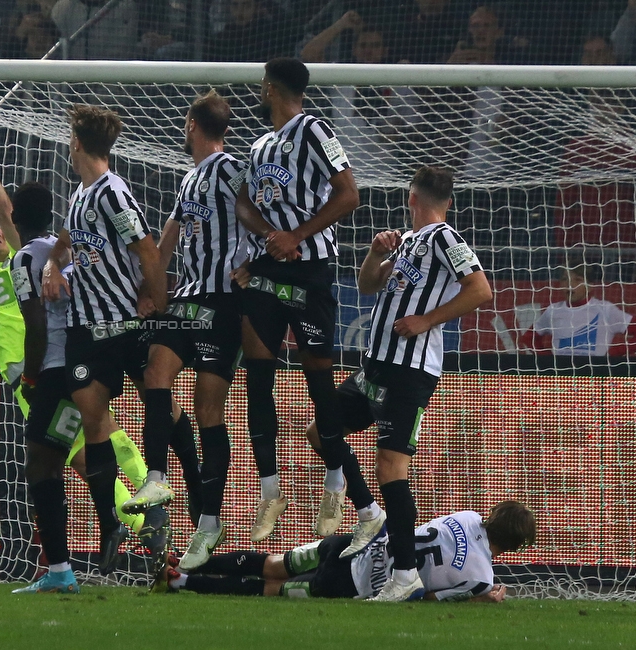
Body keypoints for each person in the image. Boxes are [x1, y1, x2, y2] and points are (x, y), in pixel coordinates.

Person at [0, 121, 161, 587]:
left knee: (77, 453)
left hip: (45, 373)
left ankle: (140, 522)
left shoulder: (33, 254)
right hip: (45, 373)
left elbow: (6, 210)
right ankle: (143, 518)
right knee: (96, 441)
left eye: (2, 229)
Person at [305, 166, 492, 602]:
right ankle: (369, 512)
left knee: (391, 466)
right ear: (447, 198)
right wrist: (374, 253)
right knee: (321, 430)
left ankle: (405, 573)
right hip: (374, 368)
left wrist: (427, 319)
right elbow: (368, 284)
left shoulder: (446, 238)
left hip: (409, 373)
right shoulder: (407, 243)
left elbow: (481, 290)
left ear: (411, 197)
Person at [41, 104, 174, 575]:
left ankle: (179, 500)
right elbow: (66, 239)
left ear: (77, 143)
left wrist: (152, 301)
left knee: (166, 409)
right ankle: (111, 524)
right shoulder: (80, 195)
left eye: (69, 137)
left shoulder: (113, 194)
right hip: (84, 330)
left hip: (122, 325)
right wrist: (54, 265)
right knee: (93, 422)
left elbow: (147, 248)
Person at [233, 57, 360, 543]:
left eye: (262, 86)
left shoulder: (315, 129)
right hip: (268, 272)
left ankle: (334, 482)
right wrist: (271, 235)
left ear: (269, 88)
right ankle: (270, 493)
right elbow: (243, 200)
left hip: (309, 271)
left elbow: (349, 194)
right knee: (258, 381)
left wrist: (299, 234)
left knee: (318, 385)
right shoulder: (261, 143)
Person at [124, 91, 247, 571]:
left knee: (206, 410)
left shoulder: (232, 166)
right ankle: (157, 475)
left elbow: (266, 211)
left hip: (224, 303)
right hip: (188, 298)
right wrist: (151, 291)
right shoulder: (190, 178)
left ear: (192, 124)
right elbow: (168, 238)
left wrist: (256, 262)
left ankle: (209, 517)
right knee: (155, 371)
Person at [153, 501, 536, 603]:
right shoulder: (481, 579)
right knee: (270, 589)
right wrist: (480, 598)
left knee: (273, 563)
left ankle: (186, 559)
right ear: (516, 546)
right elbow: (432, 596)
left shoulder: (468, 517)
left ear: (492, 515)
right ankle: (180, 582)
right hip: (351, 584)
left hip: (352, 545)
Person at [520, 264, 636, 358]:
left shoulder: (605, 309)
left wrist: (614, 352)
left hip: (594, 376)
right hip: (562, 377)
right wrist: (547, 359)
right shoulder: (553, 310)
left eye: (577, 280)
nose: (570, 284)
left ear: (590, 286)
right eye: (565, 279)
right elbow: (529, 337)